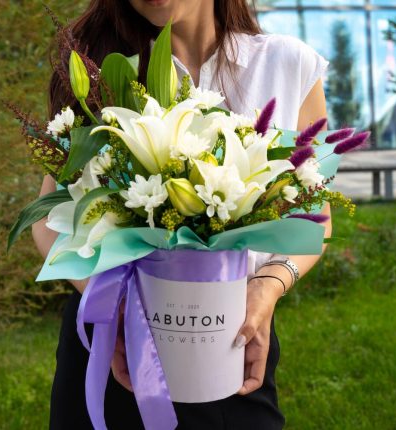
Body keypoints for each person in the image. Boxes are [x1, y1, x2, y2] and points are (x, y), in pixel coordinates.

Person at [32, 0, 332, 428]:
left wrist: (268, 286)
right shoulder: (100, 67)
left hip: (232, 336)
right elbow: (48, 220)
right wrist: (109, 304)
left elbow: (314, 214)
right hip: (114, 343)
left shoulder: (286, 65)